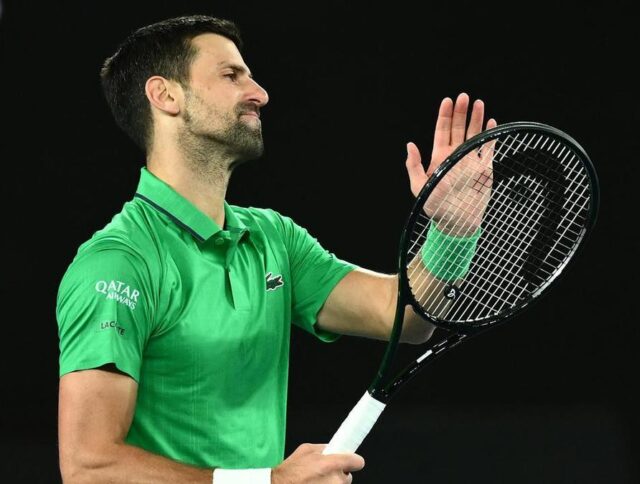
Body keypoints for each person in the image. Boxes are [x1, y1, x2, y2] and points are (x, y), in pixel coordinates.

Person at [55, 15, 496, 484]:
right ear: (165, 95)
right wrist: (268, 482)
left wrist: (451, 231)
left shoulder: (274, 238)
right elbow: (89, 466)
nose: (260, 93)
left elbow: (404, 316)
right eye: (231, 75)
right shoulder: (118, 264)